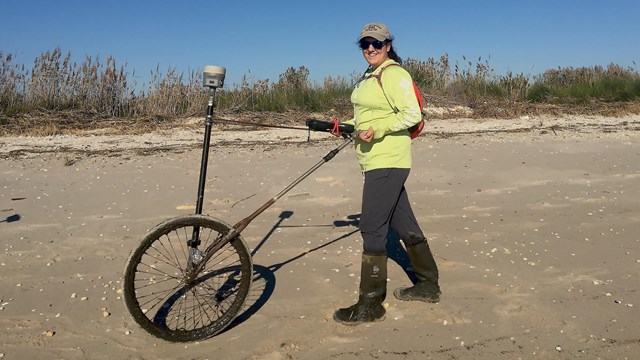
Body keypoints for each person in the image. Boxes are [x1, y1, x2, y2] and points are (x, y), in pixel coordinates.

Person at [333, 23, 441, 325]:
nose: (370, 48)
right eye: (365, 44)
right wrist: (344, 126)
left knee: (371, 227)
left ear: (388, 45)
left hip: (389, 159)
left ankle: (371, 304)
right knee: (403, 222)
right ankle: (428, 285)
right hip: (374, 160)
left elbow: (411, 114)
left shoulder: (395, 74)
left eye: (376, 43)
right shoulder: (369, 76)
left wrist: (377, 129)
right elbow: (364, 117)